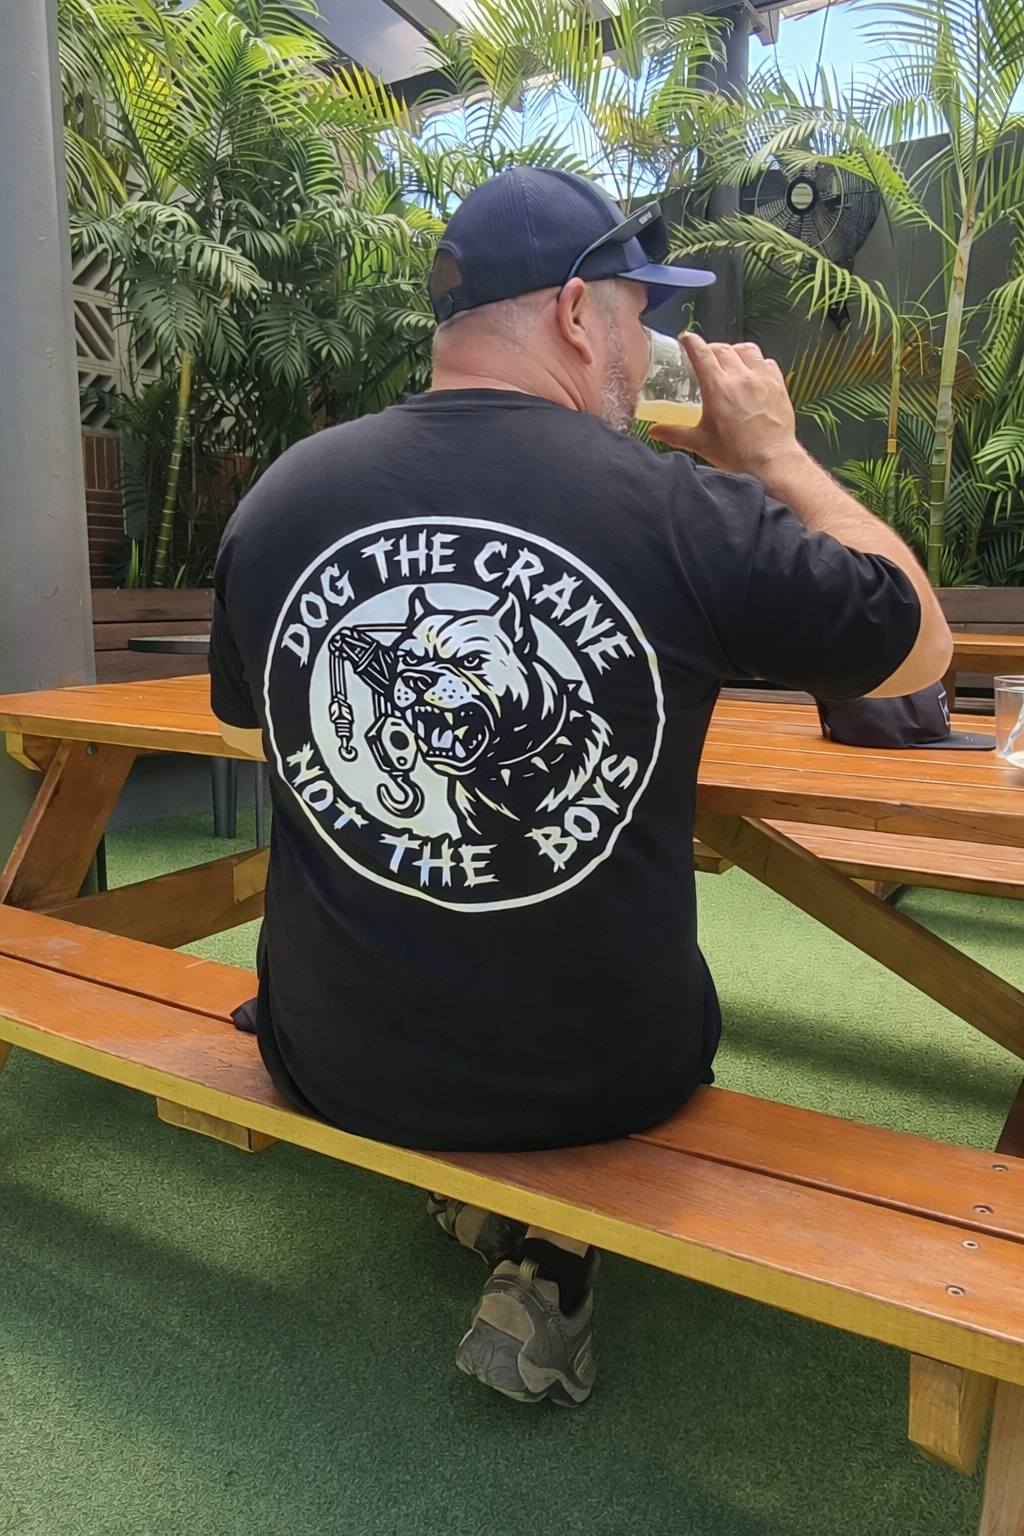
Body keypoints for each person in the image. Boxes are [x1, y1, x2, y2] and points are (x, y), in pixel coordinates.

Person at [210, 167, 952, 1409]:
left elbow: (266, 733)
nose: (647, 342)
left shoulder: (285, 494)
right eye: (635, 311)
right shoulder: (677, 509)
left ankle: (495, 1204)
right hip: (598, 1079)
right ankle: (552, 1240)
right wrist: (772, 455)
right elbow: (921, 644)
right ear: (571, 314)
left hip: (330, 1056)